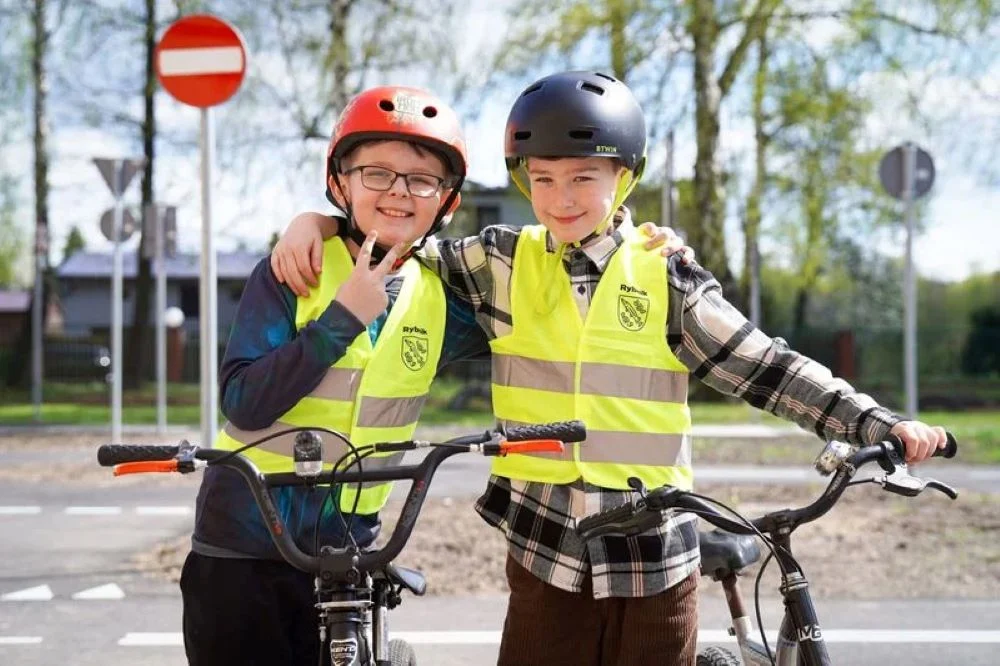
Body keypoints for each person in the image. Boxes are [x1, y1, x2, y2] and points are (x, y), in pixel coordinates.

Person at [271, 70, 949, 666]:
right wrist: (317, 222)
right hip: (543, 548)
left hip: (655, 559)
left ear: (624, 178)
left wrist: (873, 421)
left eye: (583, 179)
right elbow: (400, 232)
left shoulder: (667, 276)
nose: (561, 198)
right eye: (543, 180)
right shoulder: (499, 262)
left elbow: (765, 366)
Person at [180, 85, 495, 666]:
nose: (399, 192)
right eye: (376, 173)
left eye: (421, 179)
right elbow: (244, 402)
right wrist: (341, 318)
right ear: (339, 183)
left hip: (350, 548)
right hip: (244, 544)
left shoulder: (440, 300)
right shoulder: (292, 269)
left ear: (445, 201)